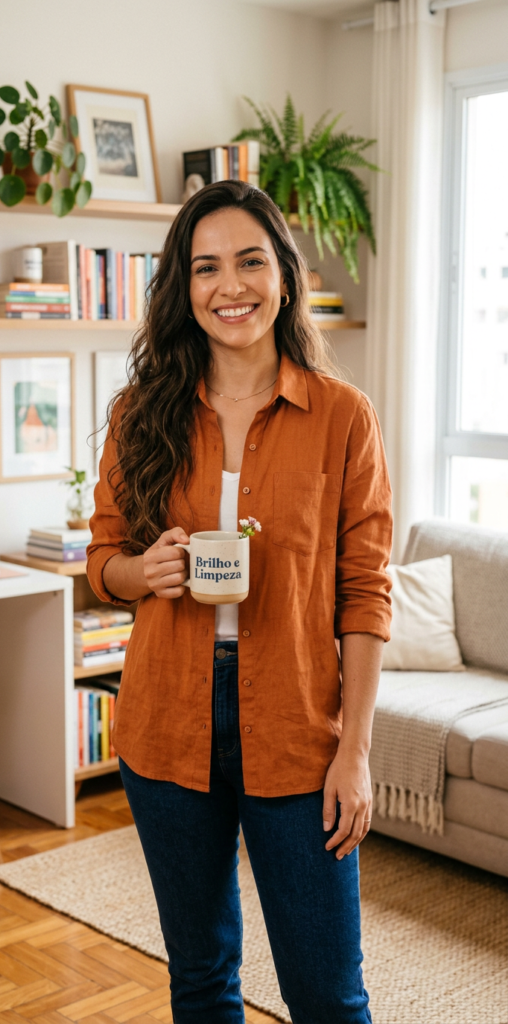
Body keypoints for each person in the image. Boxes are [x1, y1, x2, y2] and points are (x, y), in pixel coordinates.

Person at [87, 180, 392, 1024]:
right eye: (206, 268)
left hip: (298, 726)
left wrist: (355, 752)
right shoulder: (140, 414)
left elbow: (366, 594)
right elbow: (102, 558)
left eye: (251, 262)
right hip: (165, 721)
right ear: (183, 289)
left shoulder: (343, 417)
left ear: (284, 277)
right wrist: (142, 574)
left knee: (328, 995)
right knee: (201, 978)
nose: (231, 286)